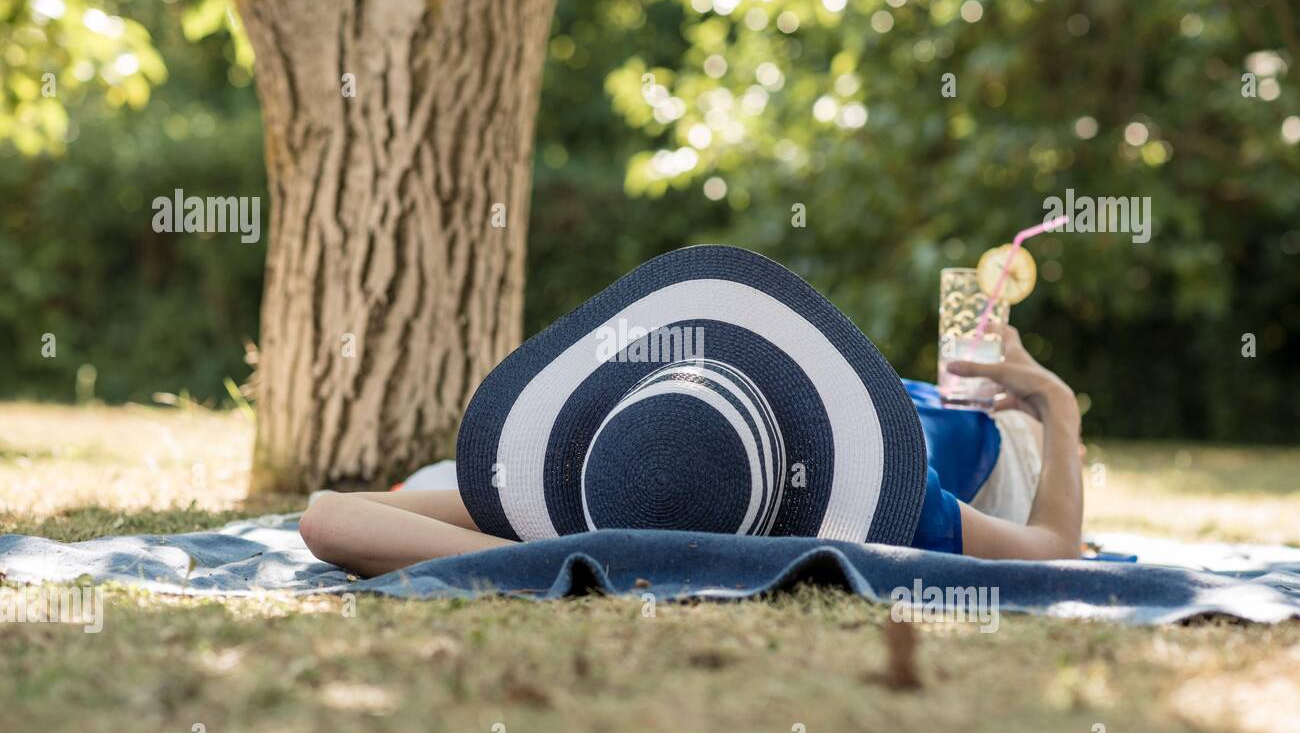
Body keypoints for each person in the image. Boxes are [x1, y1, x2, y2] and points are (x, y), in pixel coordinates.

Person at [300, 249, 1083, 577]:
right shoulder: (889, 511)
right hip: (996, 442)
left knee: (437, 483)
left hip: (911, 408)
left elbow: (328, 519)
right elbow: (1055, 549)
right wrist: (1055, 406)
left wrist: (573, 556)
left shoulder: (607, 488)